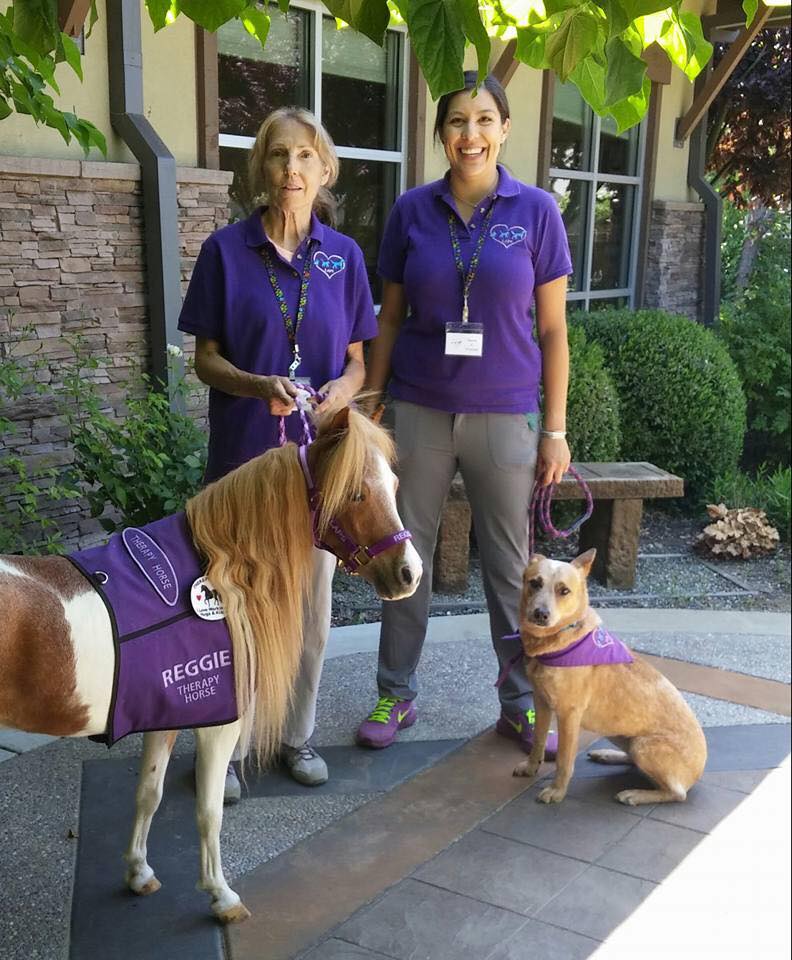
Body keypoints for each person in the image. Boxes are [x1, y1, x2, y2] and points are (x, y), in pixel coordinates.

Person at [355, 72, 572, 755]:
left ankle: (521, 701)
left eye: (484, 120)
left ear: (504, 130)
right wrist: (370, 405)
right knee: (403, 556)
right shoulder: (411, 212)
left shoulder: (536, 212)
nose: (469, 134)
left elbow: (554, 332)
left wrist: (557, 429)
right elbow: (389, 318)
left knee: (511, 569)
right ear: (441, 133)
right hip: (419, 409)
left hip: (506, 417)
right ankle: (395, 694)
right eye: (456, 121)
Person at [178, 107, 378, 797]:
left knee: (310, 612)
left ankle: (296, 736)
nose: (291, 170)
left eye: (305, 157)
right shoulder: (225, 252)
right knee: (234, 612)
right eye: (278, 156)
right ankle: (227, 752)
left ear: (324, 172)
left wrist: (339, 397)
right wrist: (254, 383)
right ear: (260, 169)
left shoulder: (343, 257)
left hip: (318, 474)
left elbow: (358, 363)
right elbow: (203, 359)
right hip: (242, 467)